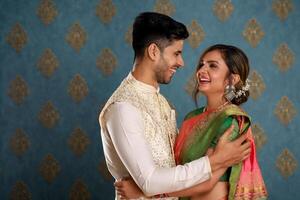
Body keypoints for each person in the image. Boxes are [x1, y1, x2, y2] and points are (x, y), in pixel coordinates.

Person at [99, 12, 251, 200]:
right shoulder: (123, 108)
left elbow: (179, 172)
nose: (182, 62)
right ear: (153, 51)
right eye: (176, 54)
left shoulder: (163, 103)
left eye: (212, 66)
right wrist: (214, 161)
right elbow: (150, 182)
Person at [115, 44, 268, 200]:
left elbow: (208, 181)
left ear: (233, 79)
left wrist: (144, 193)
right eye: (201, 64)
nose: (201, 70)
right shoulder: (191, 117)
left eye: (213, 66)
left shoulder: (230, 120)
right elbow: (178, 171)